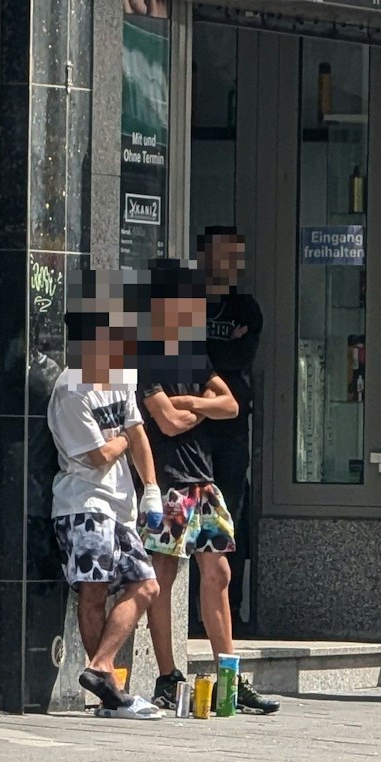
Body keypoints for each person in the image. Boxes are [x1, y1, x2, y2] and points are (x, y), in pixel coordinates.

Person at [138, 258, 282, 715]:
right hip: (168, 483)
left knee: (218, 573)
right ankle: (166, 675)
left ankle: (229, 678)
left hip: (203, 481)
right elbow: (170, 420)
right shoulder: (146, 356)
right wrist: (200, 407)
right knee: (162, 578)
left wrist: (191, 402)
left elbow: (232, 405)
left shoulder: (193, 355)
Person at [49, 309, 165, 720]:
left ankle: (100, 668)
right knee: (93, 591)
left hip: (120, 505)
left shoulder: (121, 376)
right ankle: (109, 694)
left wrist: (150, 489)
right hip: (82, 504)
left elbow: (137, 433)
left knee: (145, 586)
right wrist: (119, 441)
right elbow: (97, 456)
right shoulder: (72, 389)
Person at [200, 228, 261, 626]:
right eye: (224, 254)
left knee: (228, 516)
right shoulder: (187, 302)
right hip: (191, 430)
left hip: (232, 429)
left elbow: (238, 357)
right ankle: (192, 613)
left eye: (237, 255)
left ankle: (231, 612)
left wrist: (211, 352)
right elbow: (184, 354)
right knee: (190, 518)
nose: (232, 263)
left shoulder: (247, 308)